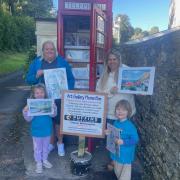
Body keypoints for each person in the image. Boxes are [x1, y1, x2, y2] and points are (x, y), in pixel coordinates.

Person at [26, 41, 75, 156]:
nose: (49, 51)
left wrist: (67, 91)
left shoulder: (62, 62)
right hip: (42, 100)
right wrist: (37, 75)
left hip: (58, 98)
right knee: (47, 122)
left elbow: (71, 79)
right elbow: (29, 79)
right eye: (47, 49)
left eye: (52, 49)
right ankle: (50, 144)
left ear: (55, 51)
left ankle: (60, 144)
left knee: (58, 122)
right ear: (42, 51)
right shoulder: (37, 63)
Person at [96, 50, 136, 170]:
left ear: (119, 60)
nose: (112, 61)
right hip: (111, 114)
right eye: (110, 59)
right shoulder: (104, 76)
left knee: (125, 138)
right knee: (112, 140)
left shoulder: (126, 72)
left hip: (126, 113)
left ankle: (123, 163)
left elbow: (138, 82)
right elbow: (98, 94)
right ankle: (114, 161)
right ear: (107, 62)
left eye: (115, 59)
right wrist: (110, 92)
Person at [22, 83, 57, 173]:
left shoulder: (48, 104)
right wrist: (25, 111)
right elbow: (28, 119)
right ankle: (38, 163)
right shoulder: (32, 106)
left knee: (46, 147)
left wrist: (54, 107)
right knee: (37, 148)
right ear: (33, 95)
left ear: (45, 93)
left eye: (42, 92)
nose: (39, 94)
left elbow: (53, 115)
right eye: (37, 93)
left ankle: (44, 160)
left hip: (47, 131)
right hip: (36, 131)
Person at [105, 100, 139, 180]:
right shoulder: (116, 123)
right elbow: (113, 135)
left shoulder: (130, 126)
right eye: (118, 109)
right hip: (117, 154)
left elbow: (135, 139)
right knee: (118, 173)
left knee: (124, 176)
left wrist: (123, 142)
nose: (120, 112)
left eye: (124, 110)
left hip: (126, 156)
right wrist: (108, 133)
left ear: (128, 112)